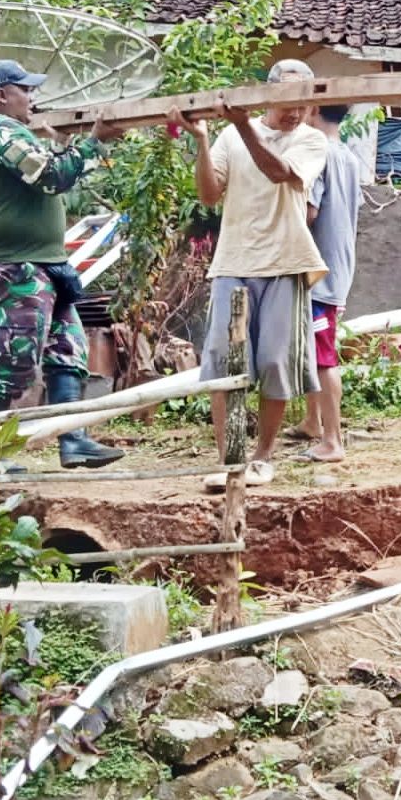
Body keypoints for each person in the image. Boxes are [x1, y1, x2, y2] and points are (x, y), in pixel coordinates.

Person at [168, 59, 329, 489]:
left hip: (285, 264)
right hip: (235, 264)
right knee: (226, 361)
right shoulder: (229, 134)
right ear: (268, 93)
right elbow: (208, 194)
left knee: (275, 361)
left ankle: (262, 456)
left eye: (304, 102)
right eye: (287, 100)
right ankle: (231, 457)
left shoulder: (312, 141)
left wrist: (242, 127)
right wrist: (202, 140)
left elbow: (278, 172)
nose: (295, 111)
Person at [0, 58, 127, 468]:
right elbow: (51, 176)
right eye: (26, 90)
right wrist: (93, 142)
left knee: (67, 351)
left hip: (45, 264)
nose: (32, 97)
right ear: (3, 95)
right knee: (16, 357)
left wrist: (74, 144)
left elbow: (51, 171)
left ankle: (73, 440)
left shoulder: (16, 133)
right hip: (13, 266)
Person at [288, 103, 366, 463]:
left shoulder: (319, 155)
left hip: (317, 269)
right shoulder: (349, 157)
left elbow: (310, 211)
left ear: (313, 109)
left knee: (322, 356)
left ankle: (333, 440)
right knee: (313, 348)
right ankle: (312, 421)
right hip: (337, 266)